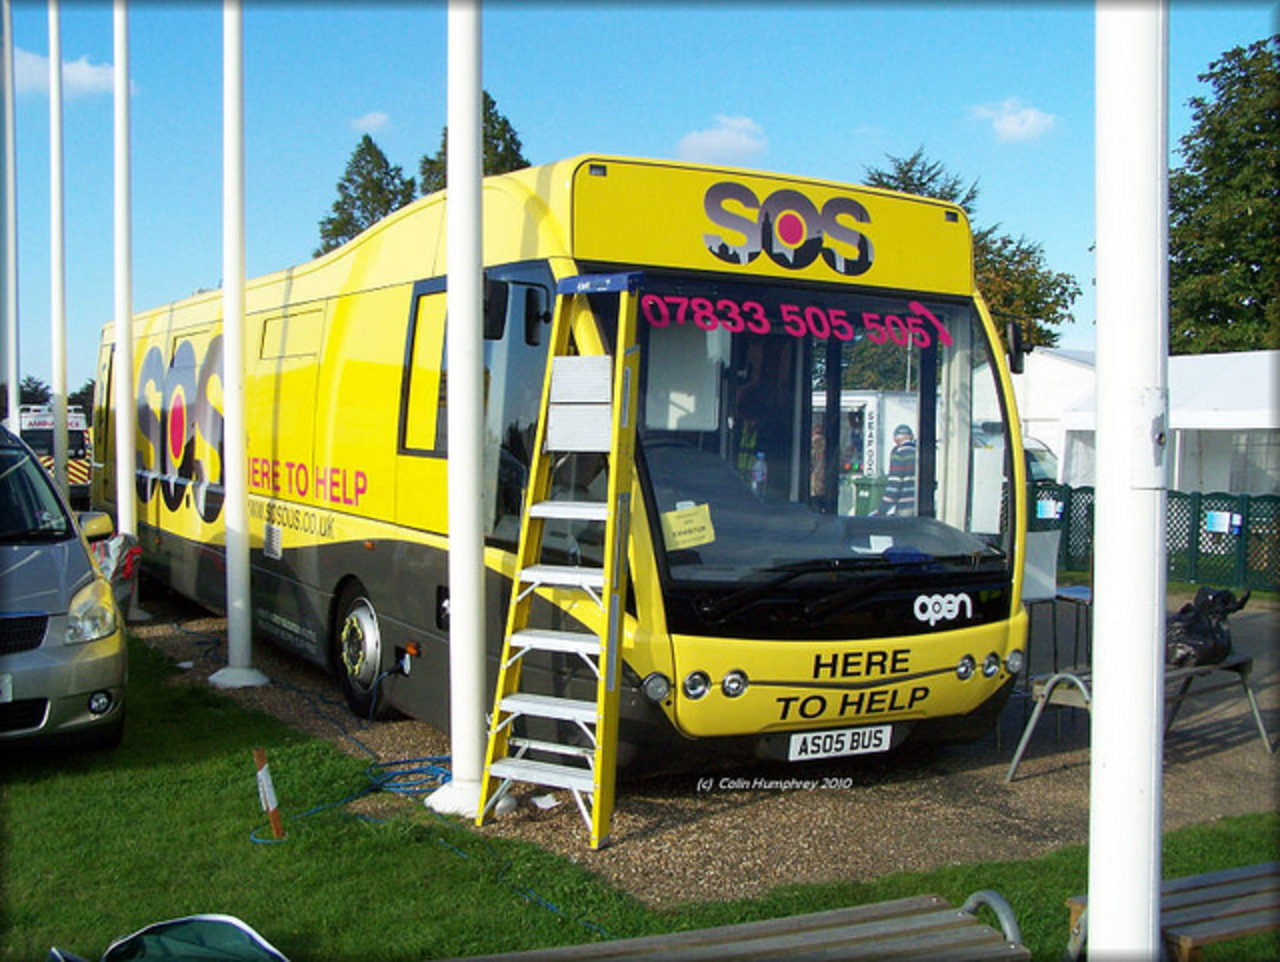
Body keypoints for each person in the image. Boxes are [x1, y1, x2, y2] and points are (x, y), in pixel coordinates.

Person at [877, 423, 917, 516]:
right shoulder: (918, 452)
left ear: (895, 439)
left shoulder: (899, 454)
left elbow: (894, 485)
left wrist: (882, 509)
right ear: (911, 437)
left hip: (904, 507)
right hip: (918, 506)